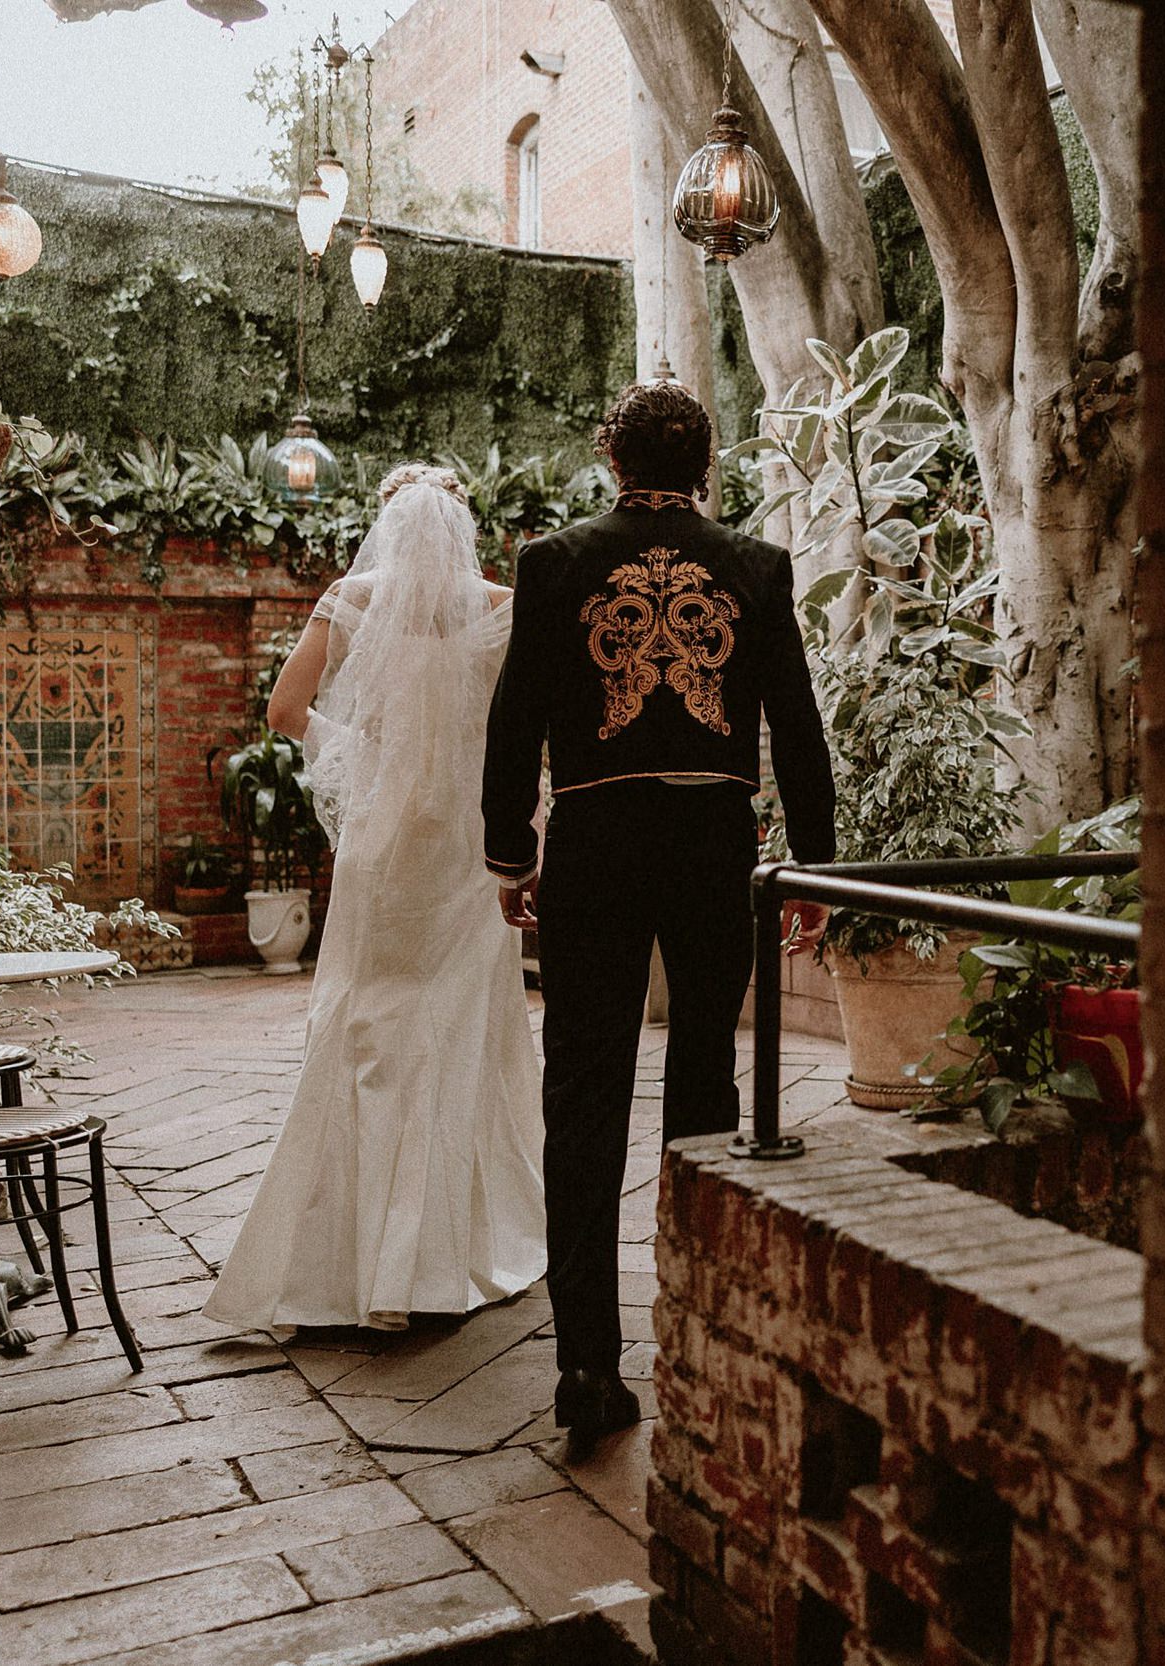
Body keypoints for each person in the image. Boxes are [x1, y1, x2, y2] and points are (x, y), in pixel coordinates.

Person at [483, 381, 836, 1447]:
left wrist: (513, 851)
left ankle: (587, 1367)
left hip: (592, 846)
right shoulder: (757, 567)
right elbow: (798, 729)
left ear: (611, 458)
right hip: (711, 849)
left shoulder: (553, 563)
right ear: (707, 463)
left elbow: (513, 725)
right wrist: (812, 865)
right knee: (704, 1085)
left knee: (583, 1093)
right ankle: (700, 1334)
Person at [206, 464, 548, 1333]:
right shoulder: (505, 606)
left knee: (365, 1022)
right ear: (463, 524)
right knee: (464, 1027)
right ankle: (444, 1257)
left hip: (384, 846)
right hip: (469, 851)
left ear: (386, 525)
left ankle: (354, 1263)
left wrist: (359, 758)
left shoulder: (350, 600)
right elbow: (529, 733)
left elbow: (286, 710)